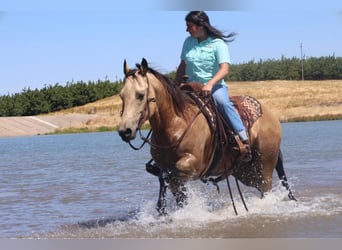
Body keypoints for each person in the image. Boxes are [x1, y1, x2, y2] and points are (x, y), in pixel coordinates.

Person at [175, 11, 251, 160]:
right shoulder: (188, 42)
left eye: (189, 26)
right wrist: (175, 86)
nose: (187, 29)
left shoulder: (218, 44)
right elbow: (182, 65)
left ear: (201, 25)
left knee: (222, 103)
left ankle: (242, 138)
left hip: (214, 87)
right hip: (190, 88)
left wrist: (210, 84)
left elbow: (225, 69)